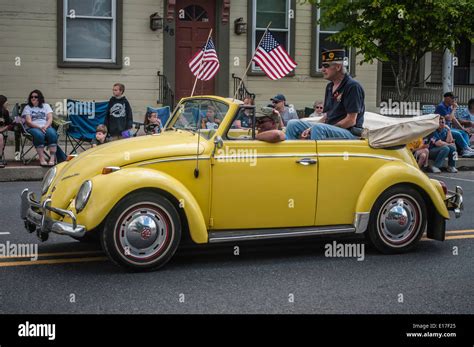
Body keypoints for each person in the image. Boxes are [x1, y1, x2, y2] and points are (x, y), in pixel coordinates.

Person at [286, 49, 365, 140]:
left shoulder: (352, 86)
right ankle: (294, 153)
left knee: (318, 128)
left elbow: (351, 121)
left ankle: (314, 154)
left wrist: (319, 128)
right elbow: (327, 116)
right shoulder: (329, 86)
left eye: (326, 66)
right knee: (293, 124)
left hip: (350, 132)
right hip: (329, 128)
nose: (322, 69)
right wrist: (310, 128)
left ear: (338, 67)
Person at [21, 90, 58, 167]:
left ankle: (52, 158)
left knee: (52, 133)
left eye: (35, 97)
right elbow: (28, 122)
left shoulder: (46, 106)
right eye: (31, 97)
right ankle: (41, 158)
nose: (33, 98)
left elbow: (50, 118)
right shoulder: (27, 107)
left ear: (40, 98)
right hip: (33, 127)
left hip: (46, 126)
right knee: (39, 134)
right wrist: (39, 127)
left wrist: (45, 126)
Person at [434, 92, 474, 157]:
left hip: (448, 128)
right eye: (452, 98)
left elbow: (454, 119)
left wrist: (462, 128)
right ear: (447, 98)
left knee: (464, 132)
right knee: (458, 134)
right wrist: (454, 108)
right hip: (442, 129)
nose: (454, 100)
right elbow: (449, 118)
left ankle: (466, 148)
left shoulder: (448, 107)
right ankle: (465, 150)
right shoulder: (441, 106)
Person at [0, 95, 12, 168]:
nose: (7, 103)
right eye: (5, 101)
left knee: (0, 137)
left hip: (0, 133)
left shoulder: (6, 112)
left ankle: (0, 158)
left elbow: (8, 124)